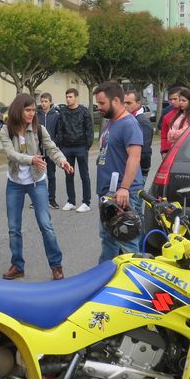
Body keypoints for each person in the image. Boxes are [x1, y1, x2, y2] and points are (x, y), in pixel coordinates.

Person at [0, 93, 73, 281]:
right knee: (14, 228)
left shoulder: (39, 129)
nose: (32, 113)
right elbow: (11, 154)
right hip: (15, 183)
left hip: (36, 181)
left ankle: (56, 266)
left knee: (46, 225)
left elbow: (52, 148)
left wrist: (62, 161)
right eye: (28, 110)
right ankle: (17, 266)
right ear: (18, 110)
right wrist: (31, 159)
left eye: (34, 110)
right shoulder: (6, 130)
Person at [93, 81, 144, 263]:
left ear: (115, 100)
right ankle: (105, 274)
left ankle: (134, 277)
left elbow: (134, 157)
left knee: (127, 242)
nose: (98, 107)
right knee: (108, 239)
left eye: (102, 103)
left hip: (123, 194)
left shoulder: (129, 124)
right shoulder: (110, 123)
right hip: (108, 194)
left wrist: (124, 188)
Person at [56, 88, 94, 212]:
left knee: (84, 175)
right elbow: (59, 129)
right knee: (68, 175)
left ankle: (86, 202)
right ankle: (71, 201)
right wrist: (60, 145)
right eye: (66, 97)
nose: (68, 99)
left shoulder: (84, 111)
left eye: (70, 97)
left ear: (76, 98)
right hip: (67, 147)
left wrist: (87, 145)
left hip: (81, 147)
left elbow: (89, 129)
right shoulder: (62, 112)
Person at [36, 92, 63, 209]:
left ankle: (52, 199)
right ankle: (37, 199)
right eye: (42, 101)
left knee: (51, 176)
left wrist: (55, 144)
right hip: (39, 151)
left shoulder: (56, 116)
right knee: (38, 175)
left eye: (45, 101)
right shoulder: (37, 116)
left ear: (50, 102)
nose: (43, 103)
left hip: (51, 151)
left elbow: (59, 132)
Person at [124, 90, 154, 178]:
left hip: (139, 168)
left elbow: (143, 150)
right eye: (124, 103)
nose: (125, 106)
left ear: (138, 103)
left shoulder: (142, 121)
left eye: (129, 103)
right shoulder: (128, 119)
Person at [159, 87, 182, 156]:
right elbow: (164, 136)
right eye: (170, 99)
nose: (172, 102)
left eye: (175, 99)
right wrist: (163, 151)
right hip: (171, 151)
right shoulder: (167, 115)